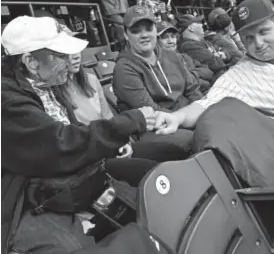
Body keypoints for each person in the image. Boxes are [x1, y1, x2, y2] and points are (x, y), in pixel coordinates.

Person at [2, 15, 158, 254]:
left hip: (75, 181)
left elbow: (72, 132)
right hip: (26, 200)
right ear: (31, 62)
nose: (71, 61)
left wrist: (113, 143)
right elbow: (59, 144)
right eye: (60, 56)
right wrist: (128, 124)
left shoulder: (45, 83)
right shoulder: (8, 101)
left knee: (153, 206)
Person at [155, 0, 274, 135]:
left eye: (263, 32)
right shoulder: (238, 77)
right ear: (240, 39)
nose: (259, 43)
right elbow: (203, 105)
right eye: (249, 37)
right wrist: (176, 117)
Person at [55, 51, 188, 162]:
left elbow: (108, 117)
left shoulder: (91, 80)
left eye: (77, 49)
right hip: (90, 154)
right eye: (67, 51)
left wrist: (122, 142)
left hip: (110, 143)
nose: (76, 55)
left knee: (173, 152)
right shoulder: (51, 93)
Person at [113, 5, 202, 152]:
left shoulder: (173, 56)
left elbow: (193, 91)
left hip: (184, 117)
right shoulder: (124, 68)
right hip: (153, 128)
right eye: (136, 31)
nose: (144, 35)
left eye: (148, 29)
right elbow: (151, 112)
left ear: (155, 30)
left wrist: (201, 111)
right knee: (197, 138)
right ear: (126, 35)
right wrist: (188, 119)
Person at [157, 21, 213, 92]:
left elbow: (208, 72)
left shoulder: (184, 56)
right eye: (165, 37)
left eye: (173, 36)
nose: (170, 41)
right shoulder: (158, 64)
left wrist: (192, 74)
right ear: (156, 41)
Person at [177, 14, 226, 79]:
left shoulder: (203, 41)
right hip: (216, 82)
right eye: (198, 22)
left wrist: (218, 54)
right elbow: (216, 64)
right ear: (190, 28)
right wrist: (219, 55)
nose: (202, 25)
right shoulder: (189, 46)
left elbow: (224, 50)